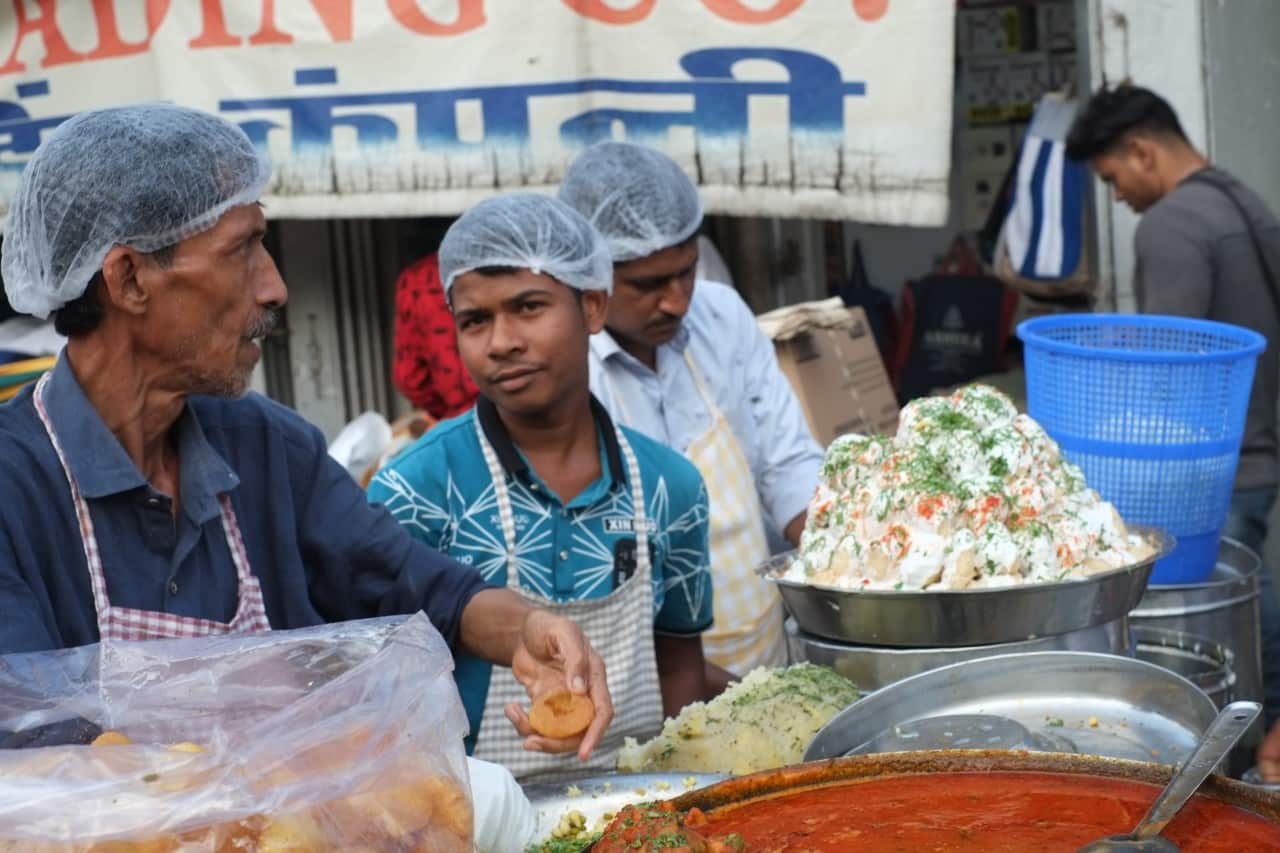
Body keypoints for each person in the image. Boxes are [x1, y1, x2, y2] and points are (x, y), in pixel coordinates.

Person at [0, 103, 613, 764]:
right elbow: (37, 759)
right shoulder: (16, 487)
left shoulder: (267, 448)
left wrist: (527, 628)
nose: (275, 287)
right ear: (128, 278)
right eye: (243, 249)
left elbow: (419, 585)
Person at [368, 193, 716, 780]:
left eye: (528, 307)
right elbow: (380, 695)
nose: (501, 341)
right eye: (475, 320)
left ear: (593, 306)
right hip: (475, 821)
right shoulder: (414, 490)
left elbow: (680, 667)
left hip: (635, 808)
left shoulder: (670, 489)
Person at [558, 141, 824, 678]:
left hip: (761, 644)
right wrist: (711, 692)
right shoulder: (566, 371)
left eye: (686, 271)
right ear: (589, 278)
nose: (677, 300)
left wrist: (852, 561)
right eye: (648, 285)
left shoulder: (721, 316)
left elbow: (788, 466)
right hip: (638, 674)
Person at [1066, 84, 1280, 748]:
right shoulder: (1246, 203)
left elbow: (1171, 377)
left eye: (1112, 178)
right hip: (1264, 449)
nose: (1118, 195)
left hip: (1219, 471)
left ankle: (1234, 768)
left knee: (1213, 637)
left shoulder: (1171, 226)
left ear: (1140, 150)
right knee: (1253, 604)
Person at [391, 251, 479, 419]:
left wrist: (454, 409)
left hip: (465, 422)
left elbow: (409, 377)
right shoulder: (527, 265)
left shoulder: (417, 278)